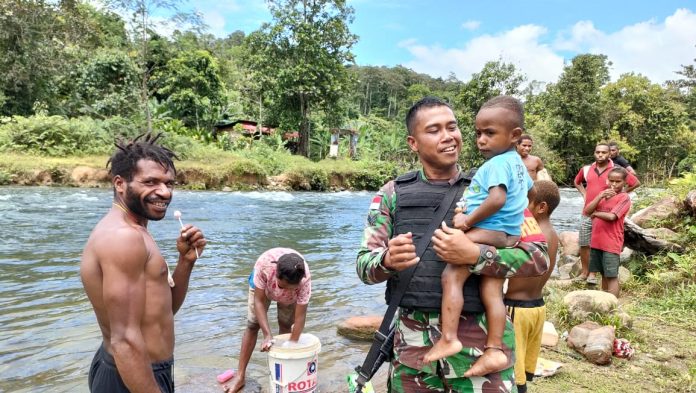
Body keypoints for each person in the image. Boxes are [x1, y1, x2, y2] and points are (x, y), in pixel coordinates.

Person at [356, 96, 549, 392]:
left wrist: (476, 255)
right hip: (413, 359)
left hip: (481, 358)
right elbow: (364, 266)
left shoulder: (492, 187)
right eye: (434, 130)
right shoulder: (392, 194)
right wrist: (387, 261)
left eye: (453, 127)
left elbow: (539, 257)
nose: (448, 137)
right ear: (413, 142)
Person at [80, 133, 207, 393]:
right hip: (132, 375)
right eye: (150, 182)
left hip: (138, 371)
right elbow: (125, 341)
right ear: (120, 183)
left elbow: (164, 310)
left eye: (168, 183)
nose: (164, 192)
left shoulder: (136, 230)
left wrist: (185, 261)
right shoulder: (124, 238)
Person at [423, 96, 534, 379]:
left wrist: (467, 220)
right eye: (478, 133)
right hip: (507, 234)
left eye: (489, 133)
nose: (481, 140)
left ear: (515, 135)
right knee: (492, 291)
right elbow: (527, 195)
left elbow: (497, 198)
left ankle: (448, 337)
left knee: (451, 274)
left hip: (491, 231)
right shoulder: (518, 164)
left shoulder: (496, 164)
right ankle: (494, 349)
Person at [223, 248, 311, 393]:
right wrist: (267, 335)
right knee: (252, 325)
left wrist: (292, 344)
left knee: (286, 325)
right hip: (263, 289)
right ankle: (240, 376)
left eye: (291, 288)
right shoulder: (264, 267)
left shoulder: (304, 280)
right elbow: (258, 302)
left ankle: (284, 375)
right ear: (276, 274)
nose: (284, 291)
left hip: (290, 298)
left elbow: (300, 317)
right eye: (283, 286)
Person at [505, 180, 560, 393]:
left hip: (517, 309)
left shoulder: (528, 233)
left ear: (541, 207)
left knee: (513, 373)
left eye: (524, 202)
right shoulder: (552, 234)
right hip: (537, 307)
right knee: (524, 369)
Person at [574, 143, 639, 285]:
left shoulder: (616, 170)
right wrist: (585, 195)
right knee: (585, 243)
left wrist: (621, 194)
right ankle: (585, 273)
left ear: (609, 154)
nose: (600, 155)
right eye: (597, 152)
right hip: (588, 210)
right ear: (594, 153)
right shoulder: (586, 169)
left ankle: (593, 274)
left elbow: (635, 183)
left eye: (604, 152)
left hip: (605, 213)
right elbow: (577, 182)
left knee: (600, 243)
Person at [583, 168, 631, 297]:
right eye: (611, 181)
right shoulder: (603, 195)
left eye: (618, 181)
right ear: (607, 180)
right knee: (603, 273)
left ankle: (613, 303)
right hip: (596, 241)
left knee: (611, 275)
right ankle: (605, 299)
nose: (614, 184)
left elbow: (612, 217)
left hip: (611, 242)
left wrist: (597, 213)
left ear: (625, 182)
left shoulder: (624, 198)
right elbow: (587, 211)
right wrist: (599, 196)